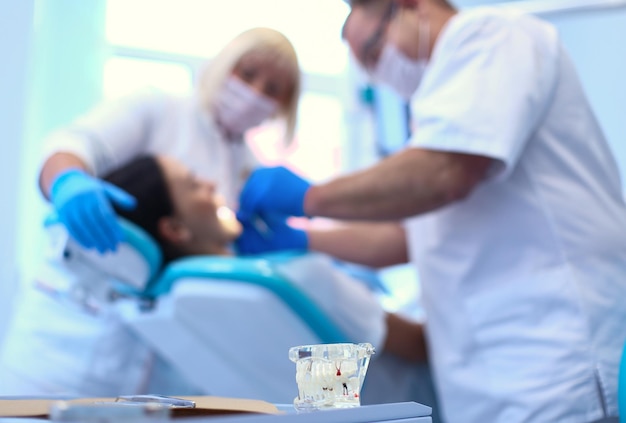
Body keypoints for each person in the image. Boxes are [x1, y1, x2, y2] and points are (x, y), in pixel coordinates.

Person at [235, 1, 626, 422]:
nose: (378, 73)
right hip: (482, 379)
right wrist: (304, 238)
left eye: (372, 51)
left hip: (551, 358)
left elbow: (443, 172)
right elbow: (410, 235)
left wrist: (311, 198)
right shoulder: (439, 107)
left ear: (409, 7)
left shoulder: (491, 35)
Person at [0, 154, 426, 397]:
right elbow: (414, 347)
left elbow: (314, 394)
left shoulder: (173, 307)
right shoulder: (284, 280)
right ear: (175, 230)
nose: (209, 184)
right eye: (193, 184)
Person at [38, 26, 300, 255]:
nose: (254, 93)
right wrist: (67, 180)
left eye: (272, 89)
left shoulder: (250, 168)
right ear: (224, 64)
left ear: (284, 105)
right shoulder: (158, 108)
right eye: (248, 74)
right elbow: (72, 144)